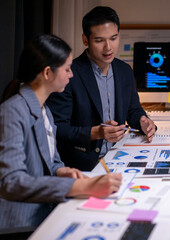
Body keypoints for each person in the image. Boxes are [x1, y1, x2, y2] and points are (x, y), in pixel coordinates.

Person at [0, 34, 122, 230]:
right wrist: (81, 187)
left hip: (46, 212)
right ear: (48, 73)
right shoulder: (13, 111)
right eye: (67, 69)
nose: (71, 75)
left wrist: (60, 170)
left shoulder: (44, 109)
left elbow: (50, 161)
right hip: (21, 225)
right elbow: (12, 182)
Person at [47, 6, 156, 171]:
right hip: (81, 166)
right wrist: (95, 133)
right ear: (86, 40)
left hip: (119, 159)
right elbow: (57, 129)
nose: (108, 48)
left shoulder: (124, 70)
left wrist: (143, 120)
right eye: (99, 40)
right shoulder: (69, 74)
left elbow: (133, 110)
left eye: (113, 38)